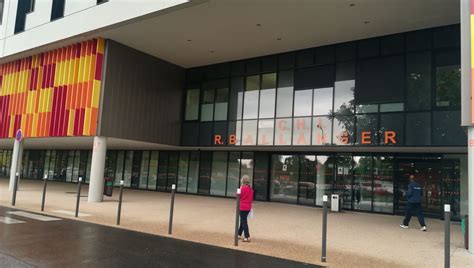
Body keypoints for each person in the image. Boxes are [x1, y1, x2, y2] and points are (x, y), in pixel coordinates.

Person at [238, 175, 254, 242]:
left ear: (242, 181)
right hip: (248, 207)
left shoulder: (242, 188)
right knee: (243, 220)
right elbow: (251, 199)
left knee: (243, 221)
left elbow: (238, 196)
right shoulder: (250, 189)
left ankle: (247, 236)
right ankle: (238, 234)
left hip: (242, 207)